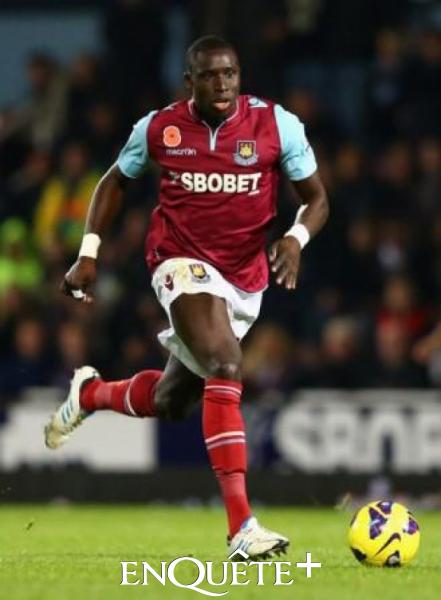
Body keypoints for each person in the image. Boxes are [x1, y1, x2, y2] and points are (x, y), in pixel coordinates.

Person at [44, 35, 329, 559]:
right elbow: (114, 182)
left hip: (244, 277)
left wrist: (295, 238)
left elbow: (317, 199)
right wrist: (88, 252)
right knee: (226, 363)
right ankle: (242, 528)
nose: (222, 84)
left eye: (230, 74)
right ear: (189, 81)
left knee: (171, 401)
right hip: (179, 261)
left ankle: (90, 394)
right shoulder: (160, 128)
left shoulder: (277, 124)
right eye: (210, 75)